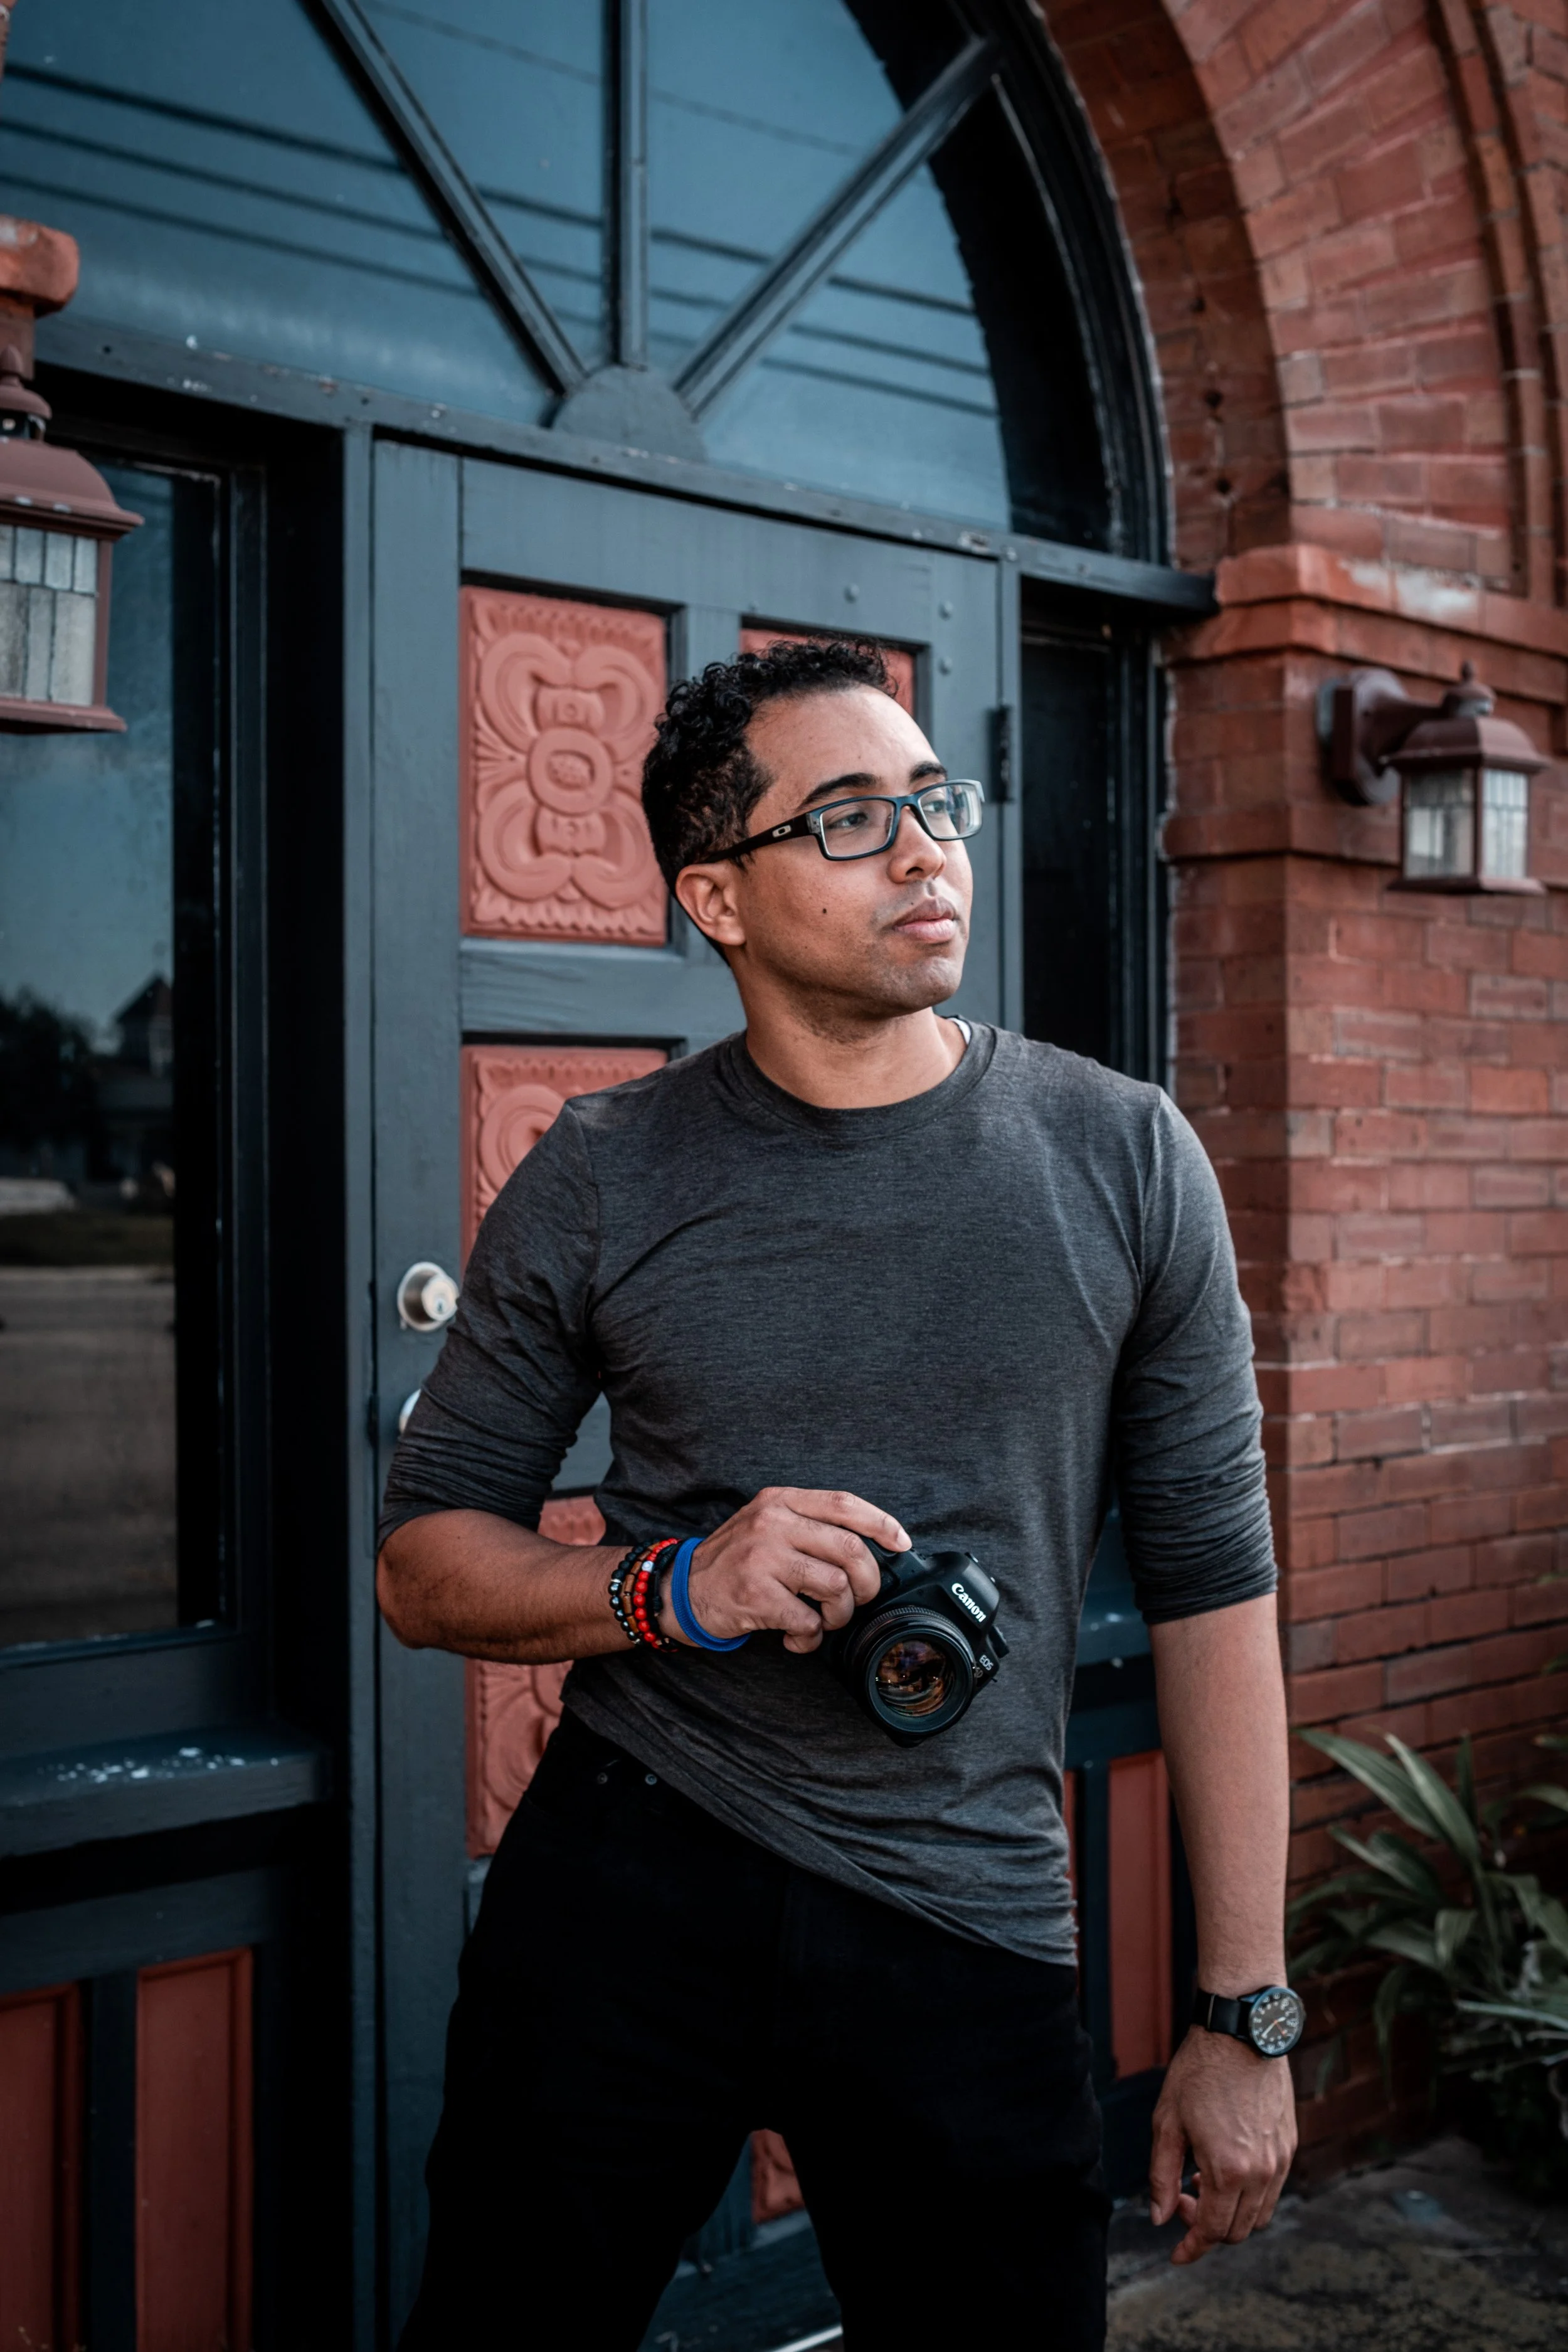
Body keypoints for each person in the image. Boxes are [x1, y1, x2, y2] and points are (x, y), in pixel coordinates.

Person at [378, 638, 1298, 2351]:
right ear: (716, 895)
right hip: (631, 1869)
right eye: (853, 817)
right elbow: (423, 1566)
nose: (926, 849)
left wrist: (1243, 2008)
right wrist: (671, 1587)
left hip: (967, 1905)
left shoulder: (1121, 1153)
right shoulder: (601, 1168)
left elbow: (1214, 1591)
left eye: (933, 802)